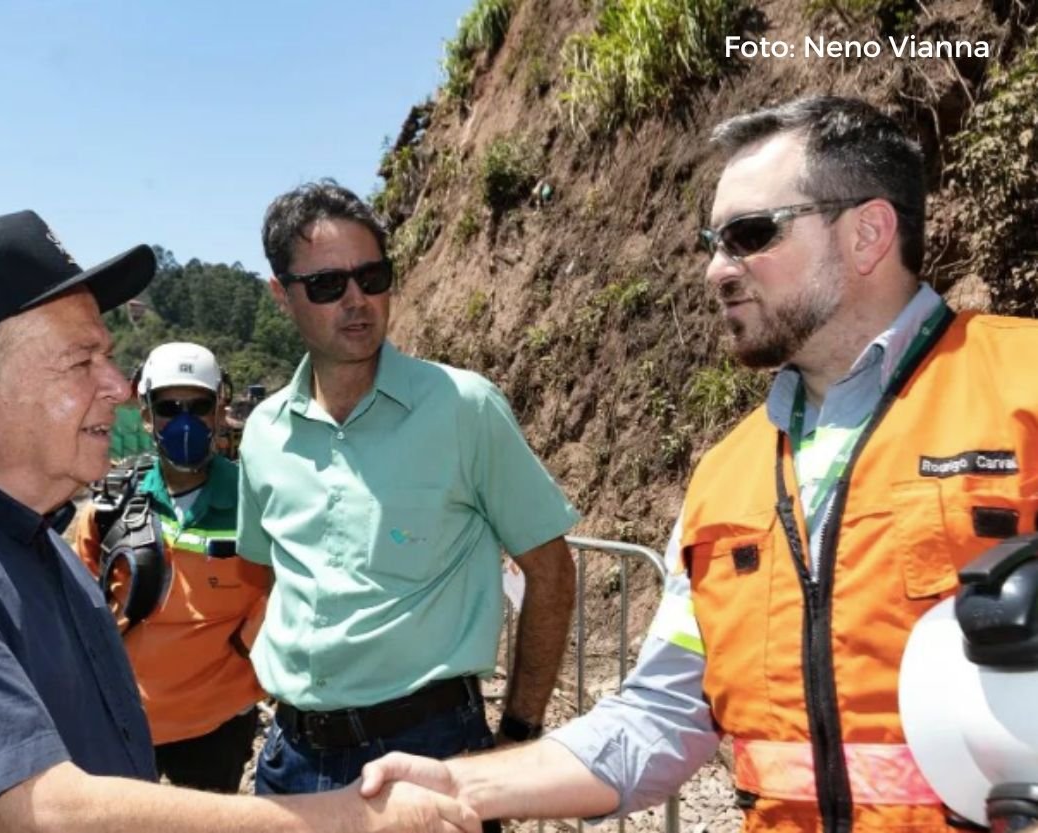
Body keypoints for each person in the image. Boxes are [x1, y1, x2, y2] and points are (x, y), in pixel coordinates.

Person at [359, 96, 1038, 832]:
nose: (717, 269)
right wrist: (465, 785)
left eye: (750, 234)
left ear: (868, 233)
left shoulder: (1021, 384)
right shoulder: (727, 475)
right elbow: (660, 715)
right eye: (710, 242)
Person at [0, 210, 480, 833]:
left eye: (110, 357)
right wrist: (343, 819)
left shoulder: (32, 539)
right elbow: (41, 812)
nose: (119, 388)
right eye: (83, 360)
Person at [236, 179, 579, 829]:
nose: (358, 300)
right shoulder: (262, 433)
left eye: (373, 275)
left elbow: (552, 569)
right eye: (329, 285)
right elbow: (269, 573)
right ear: (282, 295)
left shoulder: (464, 408)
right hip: (291, 762)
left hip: (431, 748)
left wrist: (520, 733)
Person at [72, 341, 271, 793]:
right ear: (146, 415)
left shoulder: (257, 503)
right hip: (123, 724)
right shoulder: (109, 507)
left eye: (198, 405)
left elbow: (285, 592)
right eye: (168, 407)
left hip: (215, 728)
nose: (184, 421)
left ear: (219, 409)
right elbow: (79, 612)